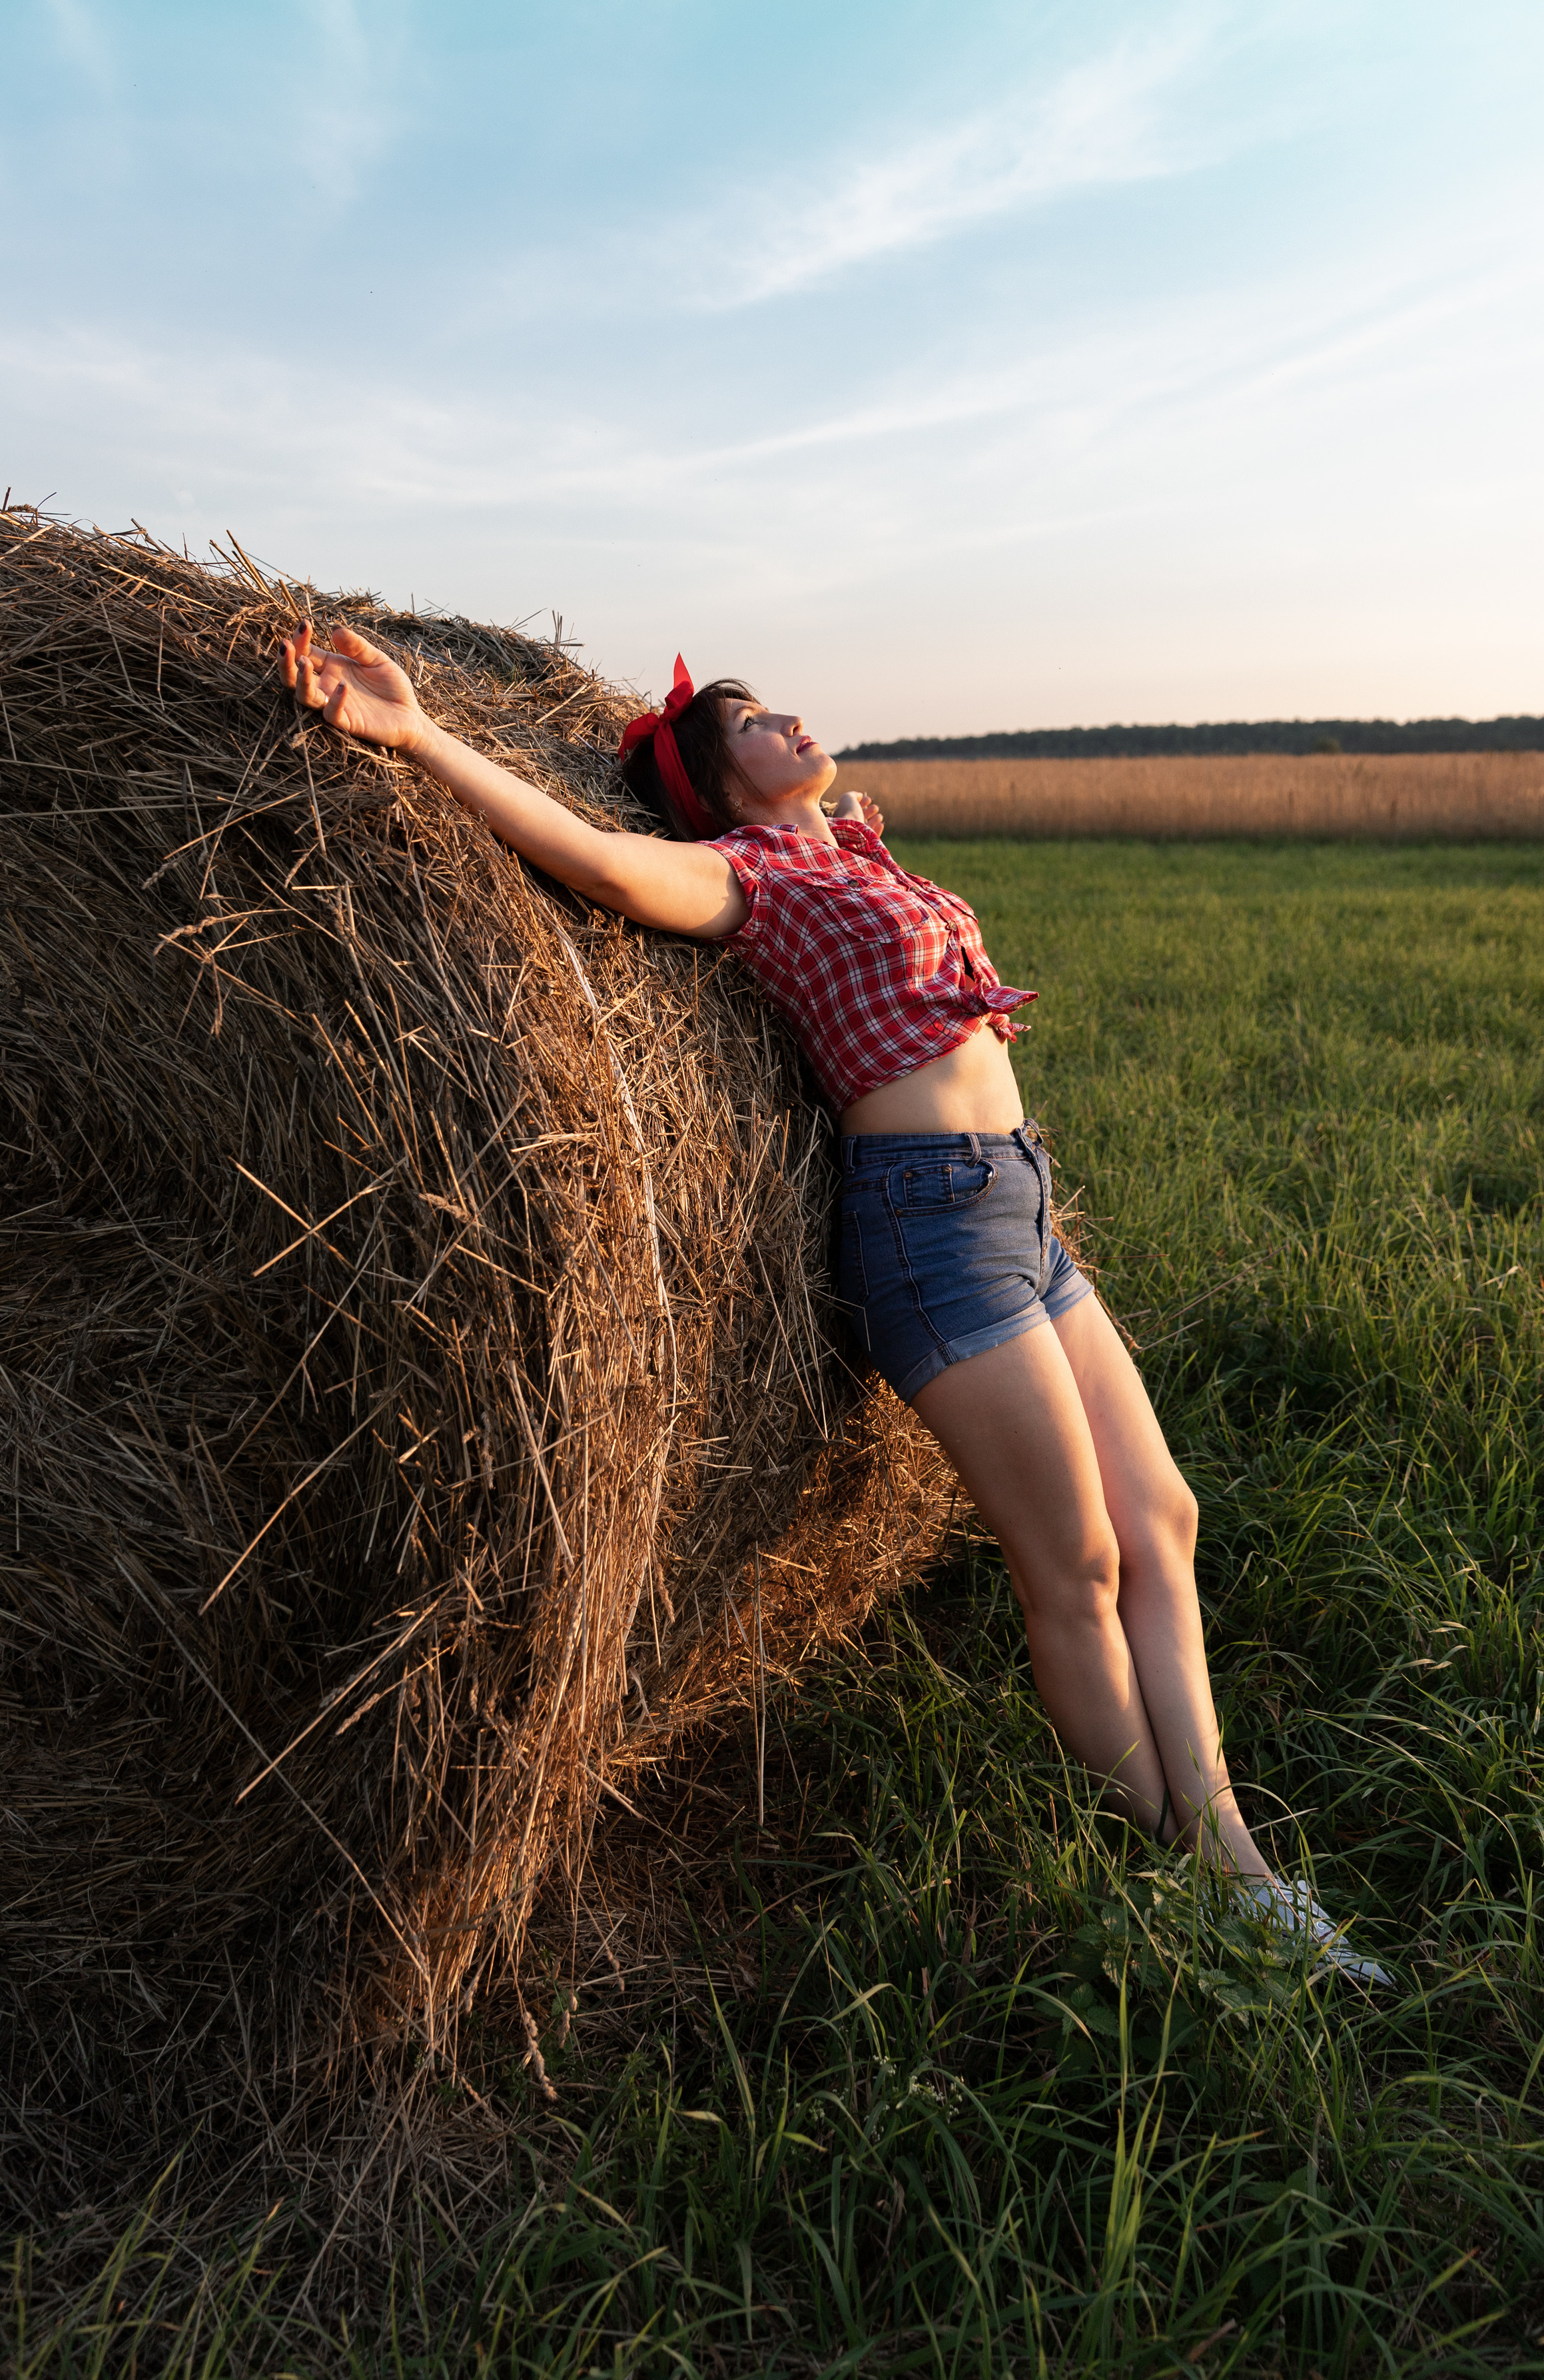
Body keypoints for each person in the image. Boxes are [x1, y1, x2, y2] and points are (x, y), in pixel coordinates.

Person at [281, 623, 1390, 1990]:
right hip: (928, 1228)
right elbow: (601, 863)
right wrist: (420, 734)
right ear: (715, 781)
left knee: (1161, 1517)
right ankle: (1222, 1878)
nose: (787, 720)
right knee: (1076, 1565)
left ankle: (1224, 1847)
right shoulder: (741, 877)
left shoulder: (841, 854)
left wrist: (856, 842)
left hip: (1015, 1203)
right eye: (750, 720)